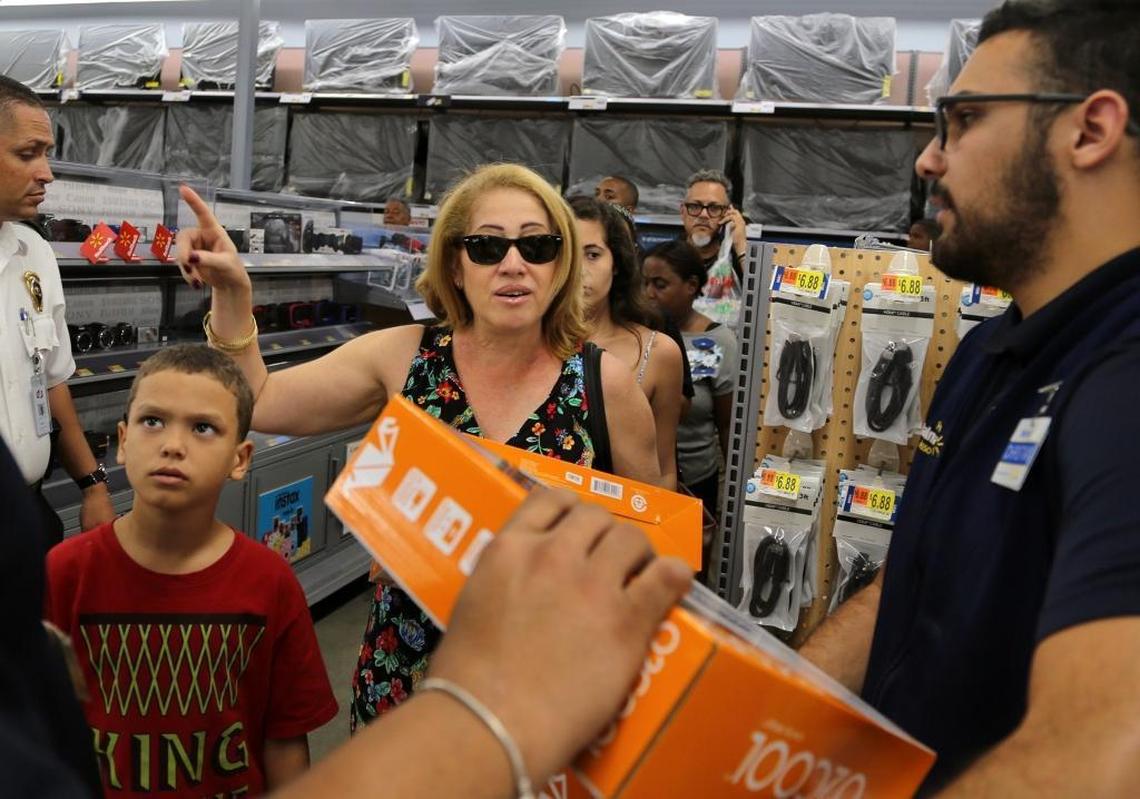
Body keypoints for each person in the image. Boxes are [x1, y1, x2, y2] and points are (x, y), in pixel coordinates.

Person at [174, 163, 661, 728]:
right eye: (486, 247)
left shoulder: (607, 384)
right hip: (406, 675)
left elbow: (650, 541)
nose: (513, 264)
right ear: (455, 265)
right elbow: (257, 400)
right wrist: (234, 291)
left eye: (537, 245)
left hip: (545, 690)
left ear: (560, 263)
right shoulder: (405, 357)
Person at [799, 1, 1140, 794]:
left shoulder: (1123, 374)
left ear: (1090, 130)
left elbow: (1102, 751)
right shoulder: (994, 347)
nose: (927, 159)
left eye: (963, 119)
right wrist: (760, 709)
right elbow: (905, 589)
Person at [44, 345, 338, 797]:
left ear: (240, 459)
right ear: (123, 441)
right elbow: (39, 726)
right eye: (152, 421)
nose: (173, 445)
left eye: (203, 428)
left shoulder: (269, 582)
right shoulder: (65, 573)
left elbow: (284, 740)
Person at [0, 75, 114, 548]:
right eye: (28, 154)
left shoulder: (34, 253)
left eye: (46, 153)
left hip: (27, 512)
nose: (46, 172)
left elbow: (51, 380)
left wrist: (93, 484)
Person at [570, 195, 685, 488]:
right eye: (566, 253)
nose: (579, 269)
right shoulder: (526, 341)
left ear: (616, 262)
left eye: (592, 254)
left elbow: (664, 467)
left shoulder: (658, 353)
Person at [642, 240, 737, 579]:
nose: (649, 293)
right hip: (643, 476)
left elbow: (728, 425)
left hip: (697, 480)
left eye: (660, 284)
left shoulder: (719, 341)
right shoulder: (638, 335)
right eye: (644, 283)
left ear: (692, 286)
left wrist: (732, 495)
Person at [679, 169, 748, 277]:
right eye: (695, 206)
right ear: (682, 212)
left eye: (714, 208)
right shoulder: (663, 258)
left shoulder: (740, 258)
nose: (703, 215)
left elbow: (770, 293)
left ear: (728, 213)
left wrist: (741, 246)